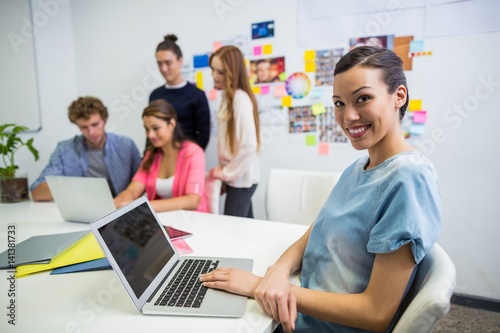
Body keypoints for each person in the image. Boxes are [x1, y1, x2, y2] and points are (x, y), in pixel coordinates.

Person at [200, 46, 442, 332]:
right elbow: (316, 230)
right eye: (339, 103)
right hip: (297, 308)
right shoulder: (357, 168)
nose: (348, 116)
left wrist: (258, 286)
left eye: (363, 98)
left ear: (398, 96)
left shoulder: (408, 178)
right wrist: (277, 271)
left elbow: (377, 313)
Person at [30, 96, 142, 201]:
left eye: (95, 124)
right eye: (84, 127)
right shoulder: (64, 150)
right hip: (81, 207)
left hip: (119, 206)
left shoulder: (126, 145)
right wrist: (72, 186)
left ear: (105, 120)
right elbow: (36, 193)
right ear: (77, 125)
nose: (91, 132)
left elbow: (144, 181)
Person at [114, 99, 208, 213]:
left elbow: (193, 200)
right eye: (147, 129)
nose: (150, 135)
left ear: (172, 124)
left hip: (192, 221)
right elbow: (133, 191)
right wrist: (117, 203)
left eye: (156, 128)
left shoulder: (193, 152)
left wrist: (144, 206)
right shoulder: (152, 155)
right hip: (163, 221)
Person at [208, 45, 260, 218]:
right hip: (238, 178)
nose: (214, 76)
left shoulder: (239, 99)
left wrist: (226, 173)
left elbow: (249, 146)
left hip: (241, 180)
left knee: (231, 230)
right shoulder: (227, 97)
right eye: (213, 70)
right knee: (246, 229)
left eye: (221, 72)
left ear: (233, 72)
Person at [149, 34, 210, 150]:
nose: (163, 69)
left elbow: (203, 135)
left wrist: (189, 158)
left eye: (168, 63)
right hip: (161, 160)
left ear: (180, 61)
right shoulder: (155, 95)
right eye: (159, 64)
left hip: (188, 159)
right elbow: (150, 133)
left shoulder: (197, 96)